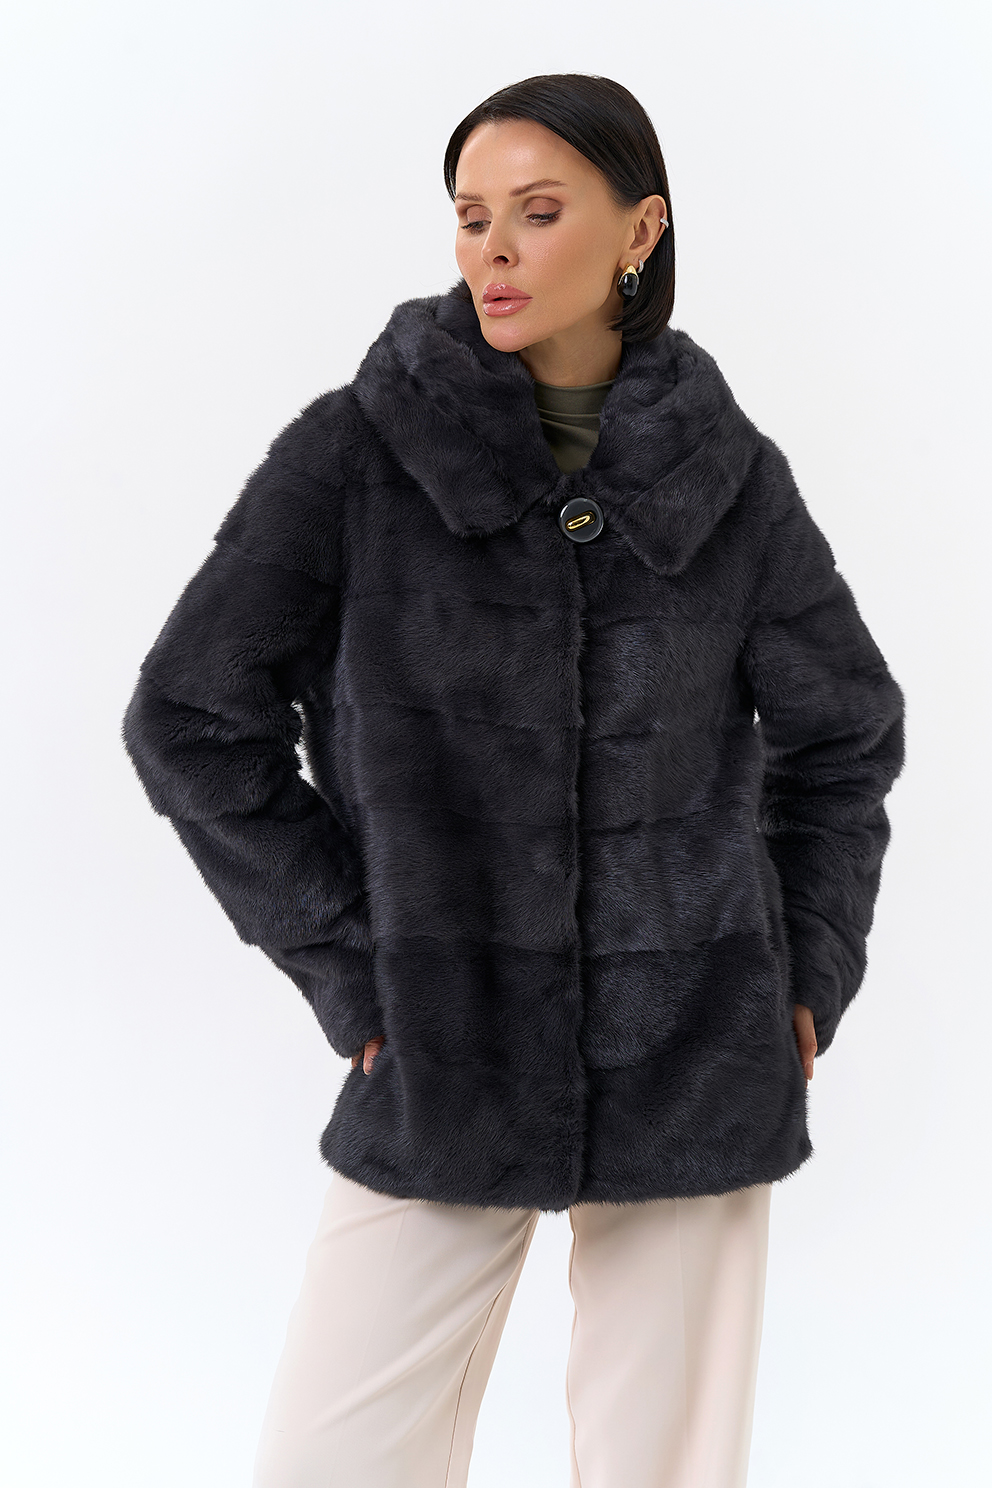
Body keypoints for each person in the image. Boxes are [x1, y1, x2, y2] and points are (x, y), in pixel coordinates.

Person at [122, 72, 906, 1488]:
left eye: (538, 213)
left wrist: (810, 968)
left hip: (693, 1048)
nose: (492, 248)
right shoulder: (358, 454)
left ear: (639, 231)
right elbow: (189, 715)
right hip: (444, 1044)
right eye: (471, 215)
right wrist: (354, 967)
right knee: (329, 1457)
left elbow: (844, 735)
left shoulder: (729, 476)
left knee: (668, 1466)